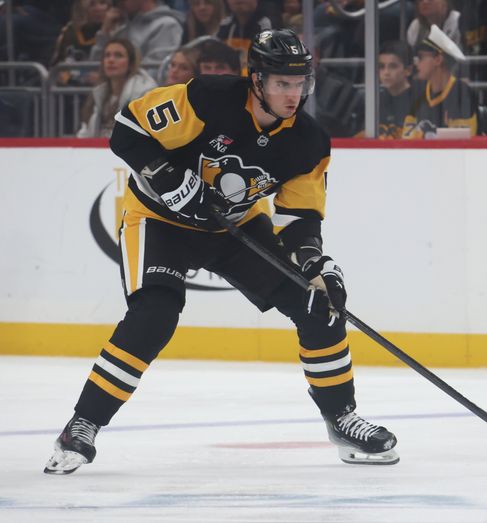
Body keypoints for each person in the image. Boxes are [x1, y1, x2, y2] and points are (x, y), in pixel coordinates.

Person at [43, 29, 398, 475]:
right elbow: (127, 130)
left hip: (235, 228)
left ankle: (342, 419)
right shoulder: (207, 98)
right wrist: (170, 179)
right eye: (282, 84)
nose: (294, 95)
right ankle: (82, 424)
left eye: (300, 84)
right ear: (257, 81)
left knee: (318, 305)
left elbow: (300, 220)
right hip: (159, 221)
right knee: (154, 315)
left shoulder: (308, 142)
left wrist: (315, 261)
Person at [402, 24, 477, 138]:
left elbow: (461, 141)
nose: (417, 63)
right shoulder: (417, 90)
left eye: (421, 58)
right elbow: (407, 136)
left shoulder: (461, 92)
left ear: (438, 59)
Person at [77, 37, 157, 137]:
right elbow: (86, 132)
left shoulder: (144, 92)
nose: (111, 60)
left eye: (118, 56)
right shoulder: (99, 92)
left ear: (131, 63)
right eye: (107, 55)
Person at [90, 0, 184, 64]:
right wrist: (104, 32)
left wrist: (112, 77)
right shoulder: (122, 26)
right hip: (114, 91)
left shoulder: (167, 25)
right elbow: (93, 68)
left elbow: (156, 73)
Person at [51, 0, 112, 86]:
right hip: (73, 88)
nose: (98, 8)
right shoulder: (69, 32)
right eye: (92, 4)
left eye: (102, 3)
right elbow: (57, 66)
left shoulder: (117, 30)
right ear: (82, 8)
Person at [378, 40, 415, 139]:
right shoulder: (375, 102)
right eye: (381, 67)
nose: (386, 72)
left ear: (408, 70)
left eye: (392, 66)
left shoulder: (421, 102)